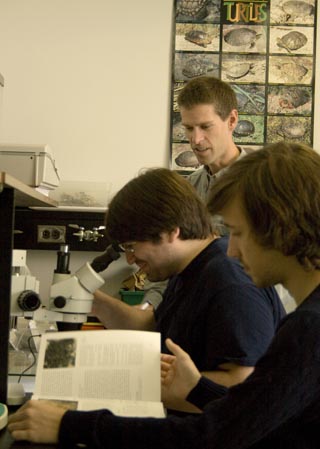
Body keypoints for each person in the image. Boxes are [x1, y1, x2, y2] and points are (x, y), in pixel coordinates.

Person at [8, 142, 320, 448]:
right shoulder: (302, 318)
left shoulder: (297, 322)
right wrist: (198, 389)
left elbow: (212, 434)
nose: (233, 249)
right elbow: (256, 412)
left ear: (279, 226)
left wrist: (68, 425)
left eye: (238, 232)